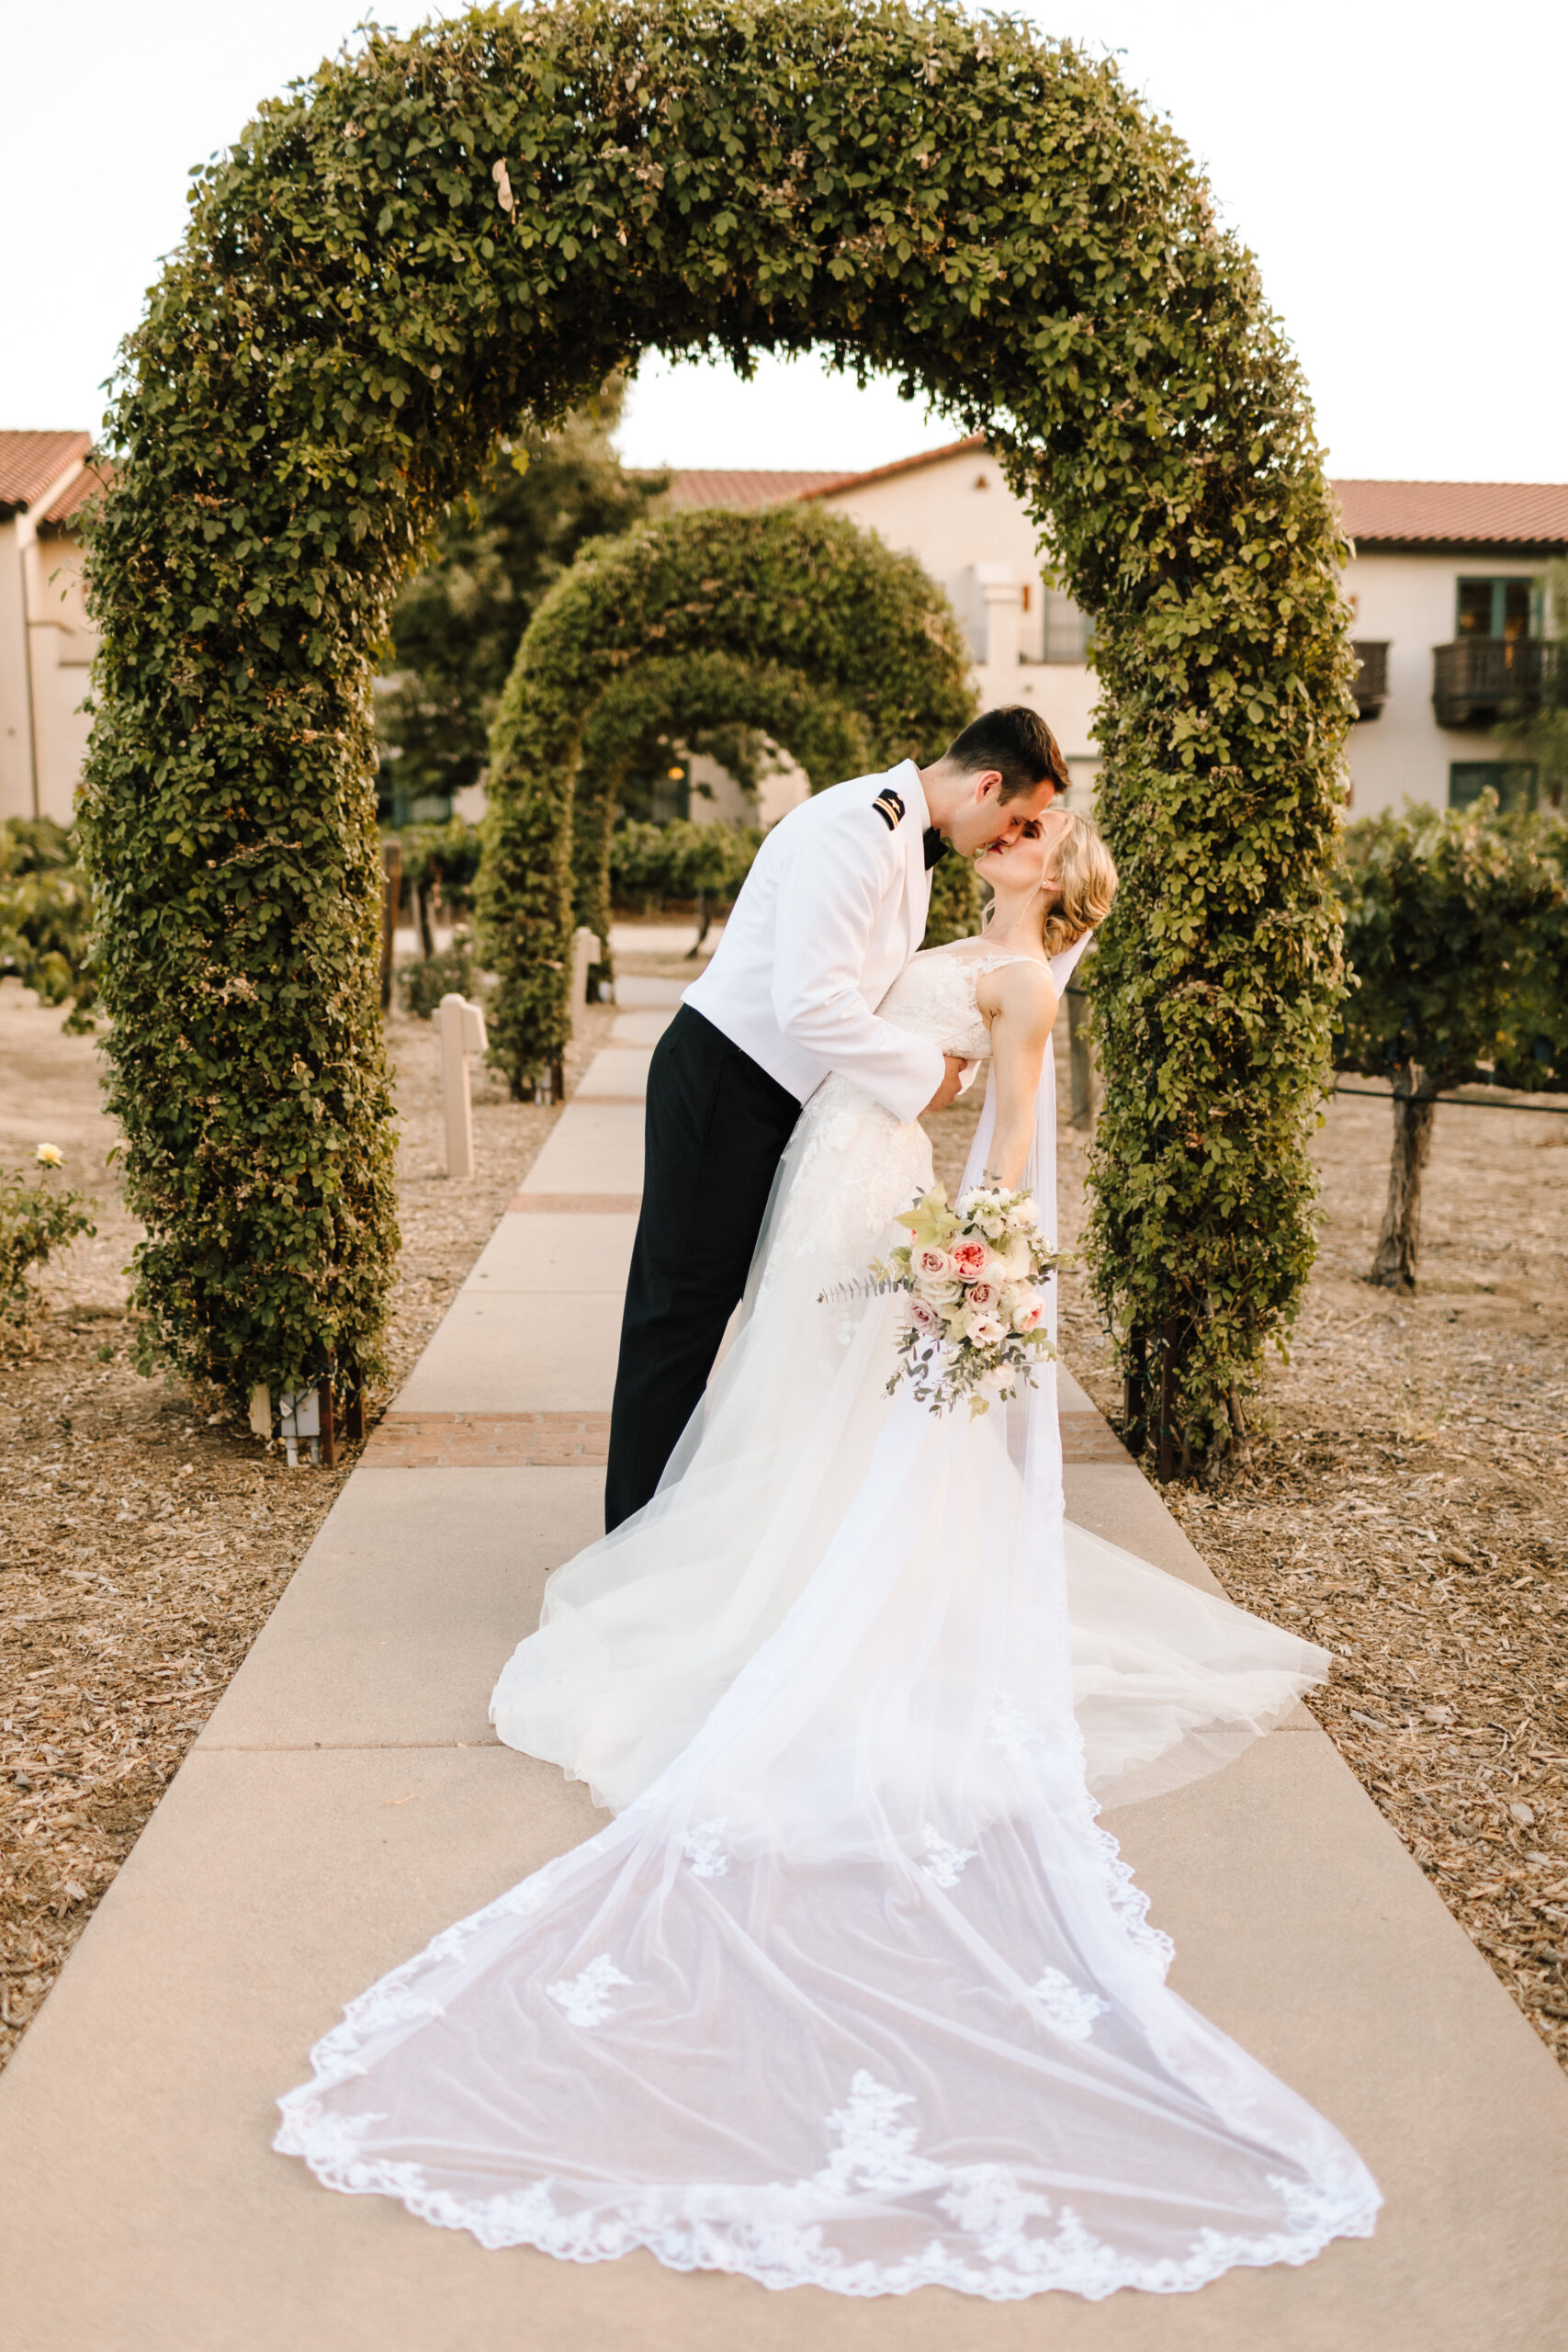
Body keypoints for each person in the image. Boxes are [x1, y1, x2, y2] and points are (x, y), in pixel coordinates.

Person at [278, 802, 1380, 2299]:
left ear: (1048, 881)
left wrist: (979, 1266)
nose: (1015, 834)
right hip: (834, 1170)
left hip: (886, 1199)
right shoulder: (956, 937)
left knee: (818, 1399)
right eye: (1020, 818)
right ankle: (765, 1572)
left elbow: (1013, 1139)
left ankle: (795, 1598)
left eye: (1036, 835)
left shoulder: (1028, 984)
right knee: (786, 1397)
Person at [604, 705, 1068, 1530]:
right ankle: (630, 1538)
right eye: (1016, 817)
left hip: (785, 1100)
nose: (1009, 836)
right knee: (678, 1315)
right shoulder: (858, 829)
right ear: (988, 784)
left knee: (762, 1318)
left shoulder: (898, 834)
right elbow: (813, 1005)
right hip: (727, 1080)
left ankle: (693, 1526)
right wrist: (933, 1079)